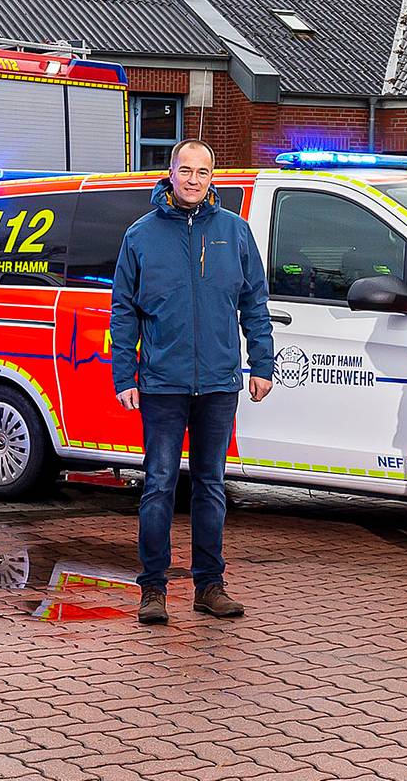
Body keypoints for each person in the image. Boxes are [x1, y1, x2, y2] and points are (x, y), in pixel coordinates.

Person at [110, 139, 274, 624]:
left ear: (212, 177)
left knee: (211, 486)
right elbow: (124, 312)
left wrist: (262, 364)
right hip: (162, 383)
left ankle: (209, 586)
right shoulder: (140, 235)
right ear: (170, 173)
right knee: (159, 484)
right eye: (186, 170)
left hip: (219, 383)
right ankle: (152, 589)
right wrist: (125, 374)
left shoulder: (234, 232)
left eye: (203, 172)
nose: (194, 180)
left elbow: (255, 303)